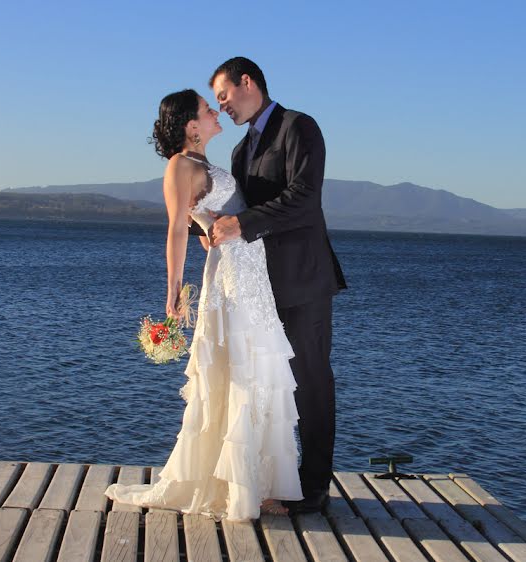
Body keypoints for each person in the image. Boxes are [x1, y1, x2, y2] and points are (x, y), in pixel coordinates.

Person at [104, 89, 302, 521]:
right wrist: (174, 288)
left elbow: (210, 217)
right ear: (192, 125)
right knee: (238, 370)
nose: (216, 113)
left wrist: (210, 225)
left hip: (250, 272)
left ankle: (261, 484)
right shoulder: (179, 166)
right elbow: (176, 228)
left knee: (260, 370)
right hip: (230, 277)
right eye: (207, 108)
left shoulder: (205, 165)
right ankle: (240, 490)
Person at [206, 57, 346, 514]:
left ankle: (315, 488)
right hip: (260, 286)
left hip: (304, 278)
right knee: (267, 383)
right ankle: (274, 478)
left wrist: (241, 224)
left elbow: (304, 200)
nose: (221, 107)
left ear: (248, 82)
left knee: (310, 380)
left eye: (224, 96)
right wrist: (209, 226)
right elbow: (241, 209)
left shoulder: (299, 127)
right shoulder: (240, 150)